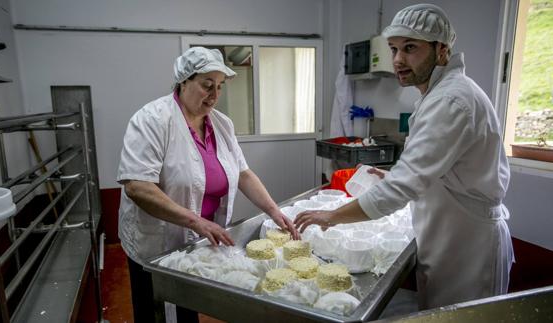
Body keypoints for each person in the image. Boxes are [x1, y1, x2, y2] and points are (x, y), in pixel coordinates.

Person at [295, 3, 514, 310]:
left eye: (410, 48)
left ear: (442, 51)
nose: (398, 60)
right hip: (449, 236)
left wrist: (332, 216)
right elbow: (432, 170)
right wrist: (392, 176)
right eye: (394, 49)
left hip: (467, 245)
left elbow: (404, 187)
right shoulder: (438, 94)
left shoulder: (451, 100)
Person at [117, 46, 298, 323]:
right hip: (157, 239)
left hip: (199, 238)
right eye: (207, 85)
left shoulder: (221, 124)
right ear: (184, 82)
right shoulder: (152, 120)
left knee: (187, 303)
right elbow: (137, 186)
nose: (215, 95)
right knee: (154, 310)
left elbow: (244, 174)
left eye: (220, 86)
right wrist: (195, 221)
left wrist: (274, 211)